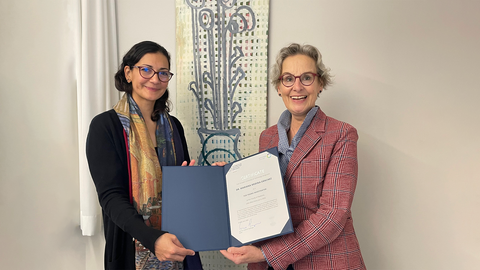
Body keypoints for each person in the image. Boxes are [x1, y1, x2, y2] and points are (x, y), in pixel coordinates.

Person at [220, 43, 366, 270]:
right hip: (268, 262)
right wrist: (231, 180)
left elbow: (333, 215)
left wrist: (266, 254)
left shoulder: (342, 135)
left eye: (306, 77)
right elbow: (261, 200)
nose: (297, 87)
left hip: (324, 261)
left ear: (320, 85)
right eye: (288, 78)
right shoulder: (267, 137)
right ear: (279, 87)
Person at [86, 41, 203, 270]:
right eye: (146, 70)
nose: (155, 79)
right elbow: (111, 197)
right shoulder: (105, 126)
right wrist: (152, 239)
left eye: (163, 73)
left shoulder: (174, 127)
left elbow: (182, 189)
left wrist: (200, 178)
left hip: (178, 247)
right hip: (131, 252)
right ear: (128, 73)